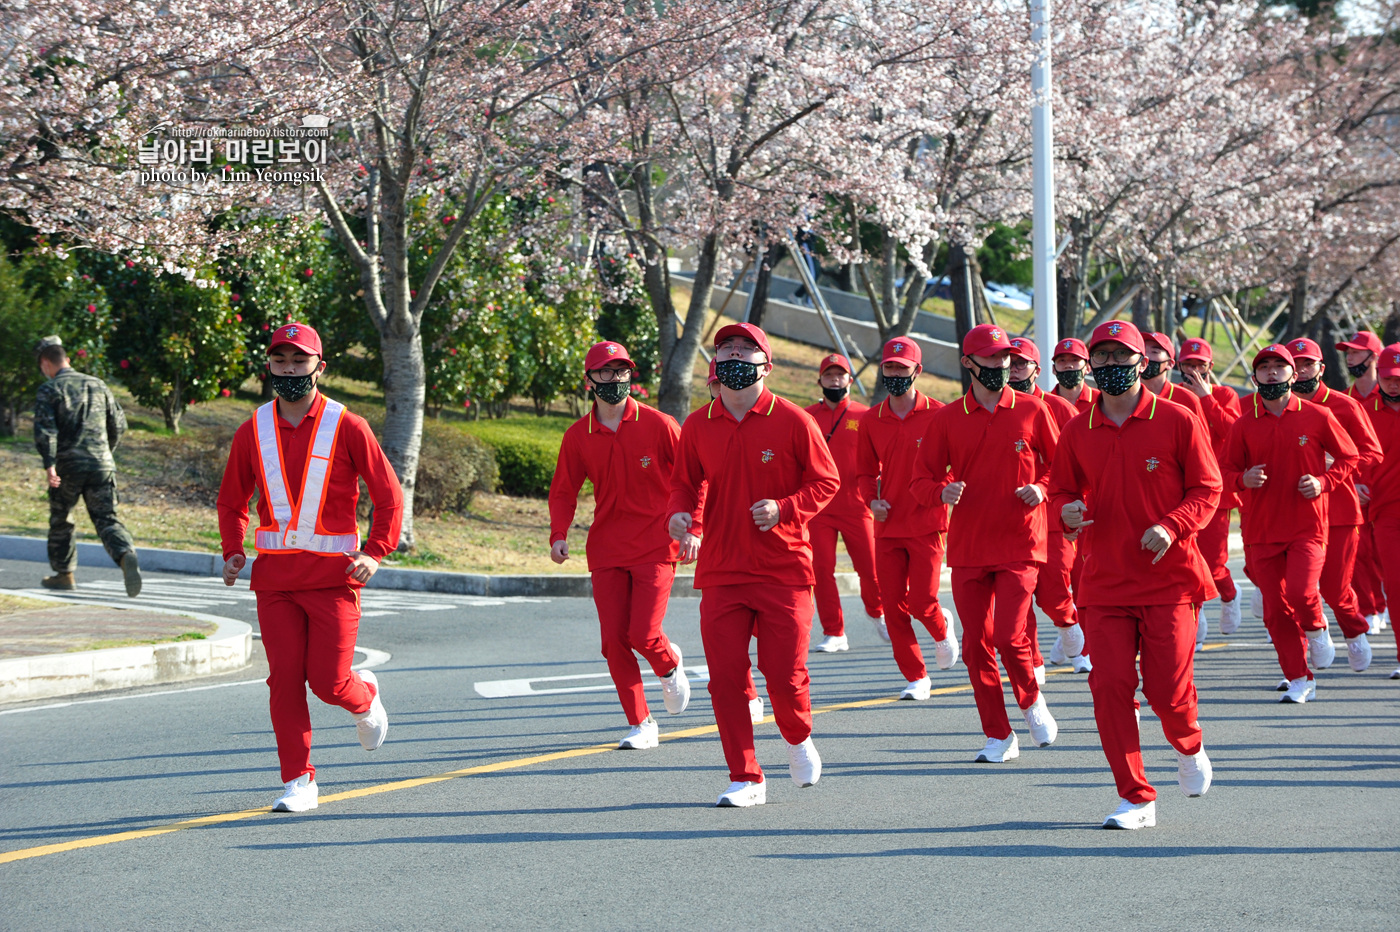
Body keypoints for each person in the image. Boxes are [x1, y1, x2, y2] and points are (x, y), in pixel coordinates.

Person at [217, 323, 403, 813]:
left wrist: (375, 552)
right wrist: (233, 549)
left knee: (329, 682)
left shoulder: (349, 425)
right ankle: (299, 781)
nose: (289, 370)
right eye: (281, 362)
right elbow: (232, 500)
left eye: (299, 362)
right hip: (275, 580)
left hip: (333, 580)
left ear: (320, 367)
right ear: (269, 368)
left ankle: (363, 698)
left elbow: (388, 497)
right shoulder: (252, 428)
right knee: (283, 680)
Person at [1049, 320, 1221, 830]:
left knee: (1167, 691)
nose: (1109, 367)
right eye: (1099, 358)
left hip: (1169, 580)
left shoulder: (1177, 419)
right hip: (1104, 582)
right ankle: (1136, 796)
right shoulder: (1077, 430)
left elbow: (1207, 489)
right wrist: (1068, 513)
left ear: (1141, 362)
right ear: (1090, 366)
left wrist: (1172, 527)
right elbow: (1060, 491)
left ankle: (1188, 744)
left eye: (1120, 357)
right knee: (1109, 686)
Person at [667, 323, 840, 807]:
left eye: (746, 349)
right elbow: (685, 482)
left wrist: (785, 508)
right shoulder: (699, 424)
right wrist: (680, 515)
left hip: (783, 569)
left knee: (784, 677)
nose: (735, 355)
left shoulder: (792, 420)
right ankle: (746, 777)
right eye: (726, 348)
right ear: (715, 364)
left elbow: (827, 483)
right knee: (724, 678)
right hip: (722, 570)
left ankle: (798, 736)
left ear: (766, 364)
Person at [912, 324, 1060, 763]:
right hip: (970, 547)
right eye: (992, 359)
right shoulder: (947, 419)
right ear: (968, 364)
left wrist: (1043, 487)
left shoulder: (1033, 410)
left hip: (1022, 543)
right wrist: (941, 491)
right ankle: (998, 735)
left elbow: (1064, 467)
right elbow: (919, 479)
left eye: (1005, 359)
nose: (1000, 366)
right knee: (977, 642)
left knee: (1011, 635)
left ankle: (1032, 702)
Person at [548, 341, 694, 751]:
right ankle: (641, 723)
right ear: (589, 381)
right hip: (608, 547)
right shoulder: (578, 436)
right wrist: (559, 534)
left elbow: (693, 478)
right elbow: (564, 491)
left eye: (622, 371)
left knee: (644, 634)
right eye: (607, 372)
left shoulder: (660, 424)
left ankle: (669, 666)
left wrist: (692, 527)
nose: (616, 379)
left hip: (656, 543)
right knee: (614, 640)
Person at [1221, 344, 1358, 704]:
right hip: (1261, 531)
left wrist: (1324, 482)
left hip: (1306, 526)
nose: (1271, 372)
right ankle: (1299, 678)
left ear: (1293, 375)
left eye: (1278, 367)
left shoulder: (1317, 416)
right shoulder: (1244, 424)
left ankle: (1316, 628)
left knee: (1301, 592)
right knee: (1276, 610)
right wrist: (1242, 479)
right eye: (1263, 367)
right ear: (1254, 377)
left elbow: (1350, 456)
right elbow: (1223, 470)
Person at [855, 337, 958, 701]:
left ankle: (942, 627)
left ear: (918, 371)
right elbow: (864, 473)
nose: (895, 374)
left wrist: (942, 490)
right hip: (887, 525)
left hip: (927, 521)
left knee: (922, 601)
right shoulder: (871, 420)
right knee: (892, 605)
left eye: (902, 368)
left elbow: (954, 466)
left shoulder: (941, 415)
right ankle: (916, 676)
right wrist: (872, 501)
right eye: (889, 368)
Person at [1284, 338, 1379, 673]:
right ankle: (1309, 645)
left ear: (1320, 368)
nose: (1300, 371)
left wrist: (1336, 471)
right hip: (1294, 514)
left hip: (1338, 511)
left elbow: (1370, 452)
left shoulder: (1344, 406)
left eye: (1307, 364)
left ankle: (1355, 633)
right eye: (1294, 365)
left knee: (1337, 590)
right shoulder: (1280, 409)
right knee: (1297, 589)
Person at [33, 336, 142, 597]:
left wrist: (49, 464)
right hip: (102, 464)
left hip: (68, 466)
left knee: (62, 519)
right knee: (106, 518)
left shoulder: (50, 389)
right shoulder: (98, 384)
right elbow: (119, 424)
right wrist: (106, 452)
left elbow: (46, 431)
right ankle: (126, 554)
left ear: (47, 363)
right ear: (67, 360)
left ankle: (64, 574)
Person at [1007, 337, 1090, 677]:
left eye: (1021, 364)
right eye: (1008, 364)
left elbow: (1075, 466)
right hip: (1011, 520)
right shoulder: (997, 409)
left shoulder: (1058, 408)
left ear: (1037, 370)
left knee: (1055, 591)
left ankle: (1070, 628)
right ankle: (1034, 660)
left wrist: (1043, 489)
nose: (1013, 371)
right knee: (1019, 596)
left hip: (1051, 516)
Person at [805, 354, 886, 652]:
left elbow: (881, 459)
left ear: (850, 381)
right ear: (820, 381)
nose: (834, 381)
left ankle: (878, 612)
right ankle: (834, 632)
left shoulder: (865, 415)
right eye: (829, 376)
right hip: (819, 509)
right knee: (821, 570)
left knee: (870, 569)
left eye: (840, 375)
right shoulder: (807, 416)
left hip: (857, 505)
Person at [1176, 338, 1245, 641]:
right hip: (1179, 493)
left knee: (1214, 565)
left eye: (1199, 365)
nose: (1193, 370)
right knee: (1186, 561)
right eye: (1188, 365)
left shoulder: (1224, 394)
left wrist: (1206, 397)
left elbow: (1235, 433)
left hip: (1215, 493)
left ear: (1209, 368)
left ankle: (1229, 595)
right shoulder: (1173, 397)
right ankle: (1197, 617)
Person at [1339, 330, 1388, 634]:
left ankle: (1383, 604)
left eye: (1356, 352)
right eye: (1348, 352)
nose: (1350, 357)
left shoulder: (1390, 396)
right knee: (1356, 553)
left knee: (1384, 555)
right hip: (1356, 490)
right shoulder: (1344, 400)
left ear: (1375, 358)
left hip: (1387, 491)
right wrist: (1352, 483)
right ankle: (1370, 609)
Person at [1356, 343, 1400, 680]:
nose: (1394, 384)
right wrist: (1354, 481)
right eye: (1388, 378)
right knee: (1396, 586)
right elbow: (1348, 454)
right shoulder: (1363, 411)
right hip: (1386, 512)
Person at [1049, 337, 1099, 413]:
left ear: (1088, 367)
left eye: (1075, 360)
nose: (1068, 365)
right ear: (1053, 369)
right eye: (1062, 360)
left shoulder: (1101, 400)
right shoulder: (1044, 402)